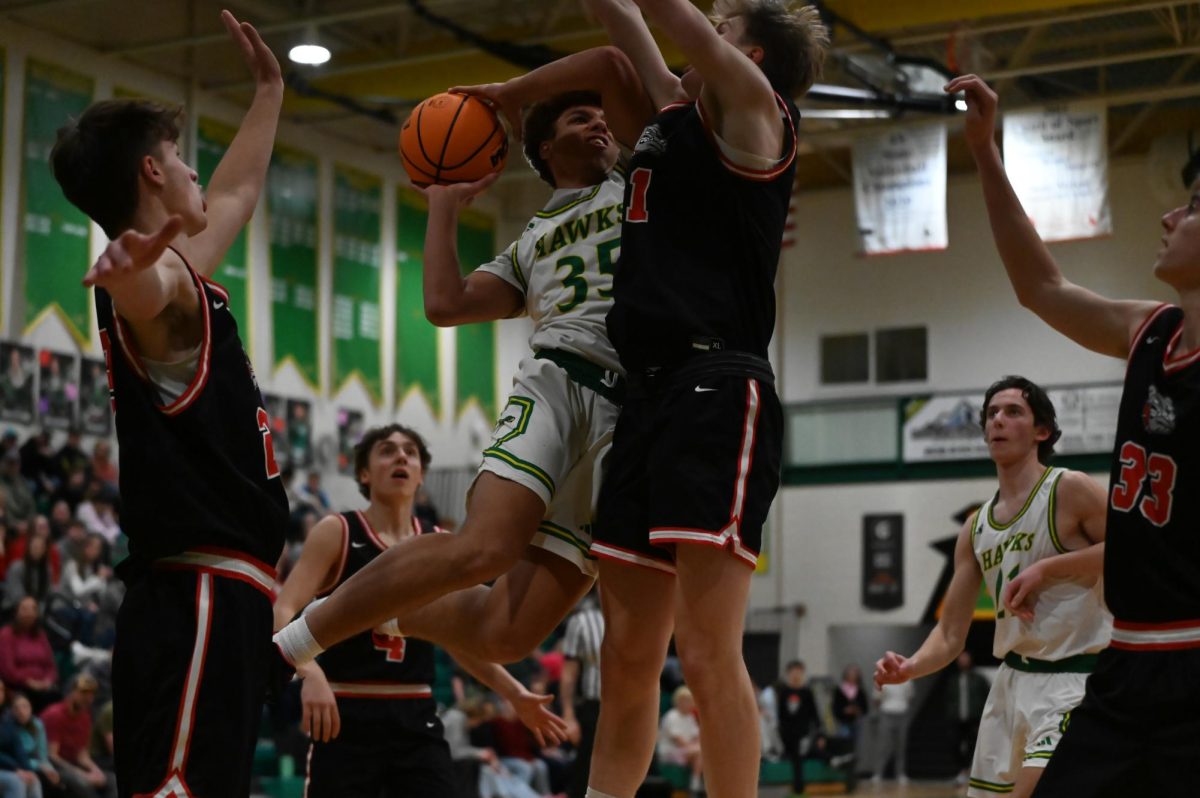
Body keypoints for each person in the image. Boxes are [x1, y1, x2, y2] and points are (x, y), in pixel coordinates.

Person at [272, 48, 652, 669]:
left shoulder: (638, 178)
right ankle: (297, 641)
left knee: (506, 635)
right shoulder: (529, 240)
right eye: (579, 118)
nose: (599, 124)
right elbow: (445, 303)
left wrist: (512, 89)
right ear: (546, 150)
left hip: (632, 413)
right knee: (485, 549)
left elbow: (614, 64)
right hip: (558, 382)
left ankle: (387, 604)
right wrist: (442, 206)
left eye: (600, 117)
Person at [574, 2, 827, 796]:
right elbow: (621, 19)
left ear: (746, 50)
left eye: (718, 19)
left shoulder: (757, 111)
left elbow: (666, 20)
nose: (701, 24)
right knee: (626, 656)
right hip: (646, 398)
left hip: (717, 386)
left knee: (707, 647)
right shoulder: (676, 117)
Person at [49, 11, 287, 797]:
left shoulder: (186, 275)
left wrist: (269, 90)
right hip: (200, 593)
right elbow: (143, 292)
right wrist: (125, 271)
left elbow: (240, 189)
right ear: (151, 173)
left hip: (227, 594)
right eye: (181, 158)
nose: (195, 173)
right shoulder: (159, 290)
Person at [947, 73, 1200, 798]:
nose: (1168, 217)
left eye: (1191, 209)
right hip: (1127, 661)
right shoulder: (1149, 330)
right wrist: (984, 152)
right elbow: (1040, 288)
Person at [272, 424, 567, 797]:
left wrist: (515, 693)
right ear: (364, 473)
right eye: (387, 450)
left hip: (416, 716)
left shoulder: (442, 544)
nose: (401, 457)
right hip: (345, 710)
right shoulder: (338, 531)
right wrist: (309, 673)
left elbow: (458, 638)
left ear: (421, 474)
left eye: (410, 452)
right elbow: (284, 607)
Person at [874, 376, 1110, 798]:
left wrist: (1050, 569)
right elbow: (949, 633)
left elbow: (1140, 550)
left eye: (1013, 411)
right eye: (991, 414)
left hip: (1075, 681)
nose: (998, 420)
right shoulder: (976, 527)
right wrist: (911, 666)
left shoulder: (1068, 489)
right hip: (1010, 687)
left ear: (1042, 431)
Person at [561, 592, 604, 798]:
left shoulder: (642, 618)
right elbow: (569, 674)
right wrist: (568, 716)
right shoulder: (581, 621)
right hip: (593, 706)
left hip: (632, 705)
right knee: (586, 770)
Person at [41, 674, 112, 798]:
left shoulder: (85, 717)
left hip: (73, 764)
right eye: (83, 693)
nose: (88, 698)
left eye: (91, 694)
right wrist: (80, 773)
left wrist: (95, 771)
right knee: (82, 784)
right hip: (54, 766)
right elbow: (52, 755)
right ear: (71, 692)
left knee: (112, 781)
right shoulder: (55, 715)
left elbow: (82, 754)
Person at [0, 598, 59, 714]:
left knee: (56, 697)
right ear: (16, 612)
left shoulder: (40, 635)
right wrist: (29, 682)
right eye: (25, 609)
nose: (29, 613)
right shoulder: (6, 635)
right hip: (17, 686)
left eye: (33, 609)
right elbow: (8, 670)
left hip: (43, 685)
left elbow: (51, 665)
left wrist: (48, 681)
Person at [946, 652, 992, 786]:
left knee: (973, 746)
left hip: (974, 719)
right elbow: (949, 699)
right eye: (960, 659)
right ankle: (963, 770)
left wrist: (983, 720)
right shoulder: (953, 679)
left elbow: (987, 699)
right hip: (957, 718)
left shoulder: (979, 679)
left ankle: (967, 773)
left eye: (965, 658)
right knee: (954, 744)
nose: (963, 661)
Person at [775, 661, 819, 797]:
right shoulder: (784, 692)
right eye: (793, 671)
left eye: (799, 671)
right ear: (788, 674)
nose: (796, 674)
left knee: (799, 758)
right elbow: (781, 714)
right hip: (787, 734)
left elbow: (814, 714)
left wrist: (819, 732)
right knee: (793, 758)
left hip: (803, 733)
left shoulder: (807, 692)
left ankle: (799, 790)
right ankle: (794, 789)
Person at [10, 693, 59, 797]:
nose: (21, 711)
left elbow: (42, 755)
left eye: (25, 706)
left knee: (54, 780)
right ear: (12, 711)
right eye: (16, 708)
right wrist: (39, 766)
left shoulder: (37, 725)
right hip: (15, 765)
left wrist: (50, 770)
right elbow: (14, 757)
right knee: (33, 781)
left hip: (32, 764)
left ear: (31, 708)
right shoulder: (9, 727)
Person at [656, 686, 702, 794]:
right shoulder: (672, 716)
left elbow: (697, 737)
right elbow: (678, 740)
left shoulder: (690, 717)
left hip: (687, 751)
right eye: (687, 701)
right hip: (670, 752)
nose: (690, 704)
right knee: (701, 752)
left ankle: (696, 781)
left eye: (691, 701)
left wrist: (697, 746)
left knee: (702, 753)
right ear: (679, 701)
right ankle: (695, 783)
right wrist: (695, 747)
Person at [871, 681, 913, 785]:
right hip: (886, 713)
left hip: (902, 714)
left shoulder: (907, 678)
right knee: (883, 745)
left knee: (901, 745)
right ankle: (878, 773)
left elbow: (910, 697)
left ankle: (900, 774)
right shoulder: (882, 678)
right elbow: (876, 699)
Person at [831, 665, 868, 742]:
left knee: (857, 745)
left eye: (854, 674)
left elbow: (865, 708)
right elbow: (835, 707)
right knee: (845, 745)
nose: (852, 677)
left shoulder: (860, 691)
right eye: (850, 674)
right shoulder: (839, 690)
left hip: (857, 723)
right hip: (843, 723)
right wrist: (844, 710)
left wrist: (858, 710)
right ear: (846, 676)